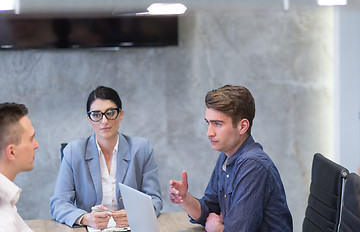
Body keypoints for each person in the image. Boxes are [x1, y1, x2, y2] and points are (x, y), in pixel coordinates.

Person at [169, 85, 293, 232]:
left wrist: (218, 229)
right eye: (208, 123)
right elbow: (210, 209)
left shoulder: (253, 166)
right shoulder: (226, 157)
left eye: (217, 124)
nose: (209, 133)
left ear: (242, 126)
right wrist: (184, 198)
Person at [50, 86, 162, 229]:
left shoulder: (141, 149)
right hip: (90, 229)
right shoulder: (73, 151)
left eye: (110, 113)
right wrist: (85, 218)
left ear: (121, 114)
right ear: (89, 118)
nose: (104, 121)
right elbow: (58, 203)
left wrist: (136, 215)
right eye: (96, 114)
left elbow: (155, 199)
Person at [0, 103, 40, 232]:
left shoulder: (6, 199)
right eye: (31, 139)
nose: (36, 145)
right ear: (11, 152)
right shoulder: (3, 221)